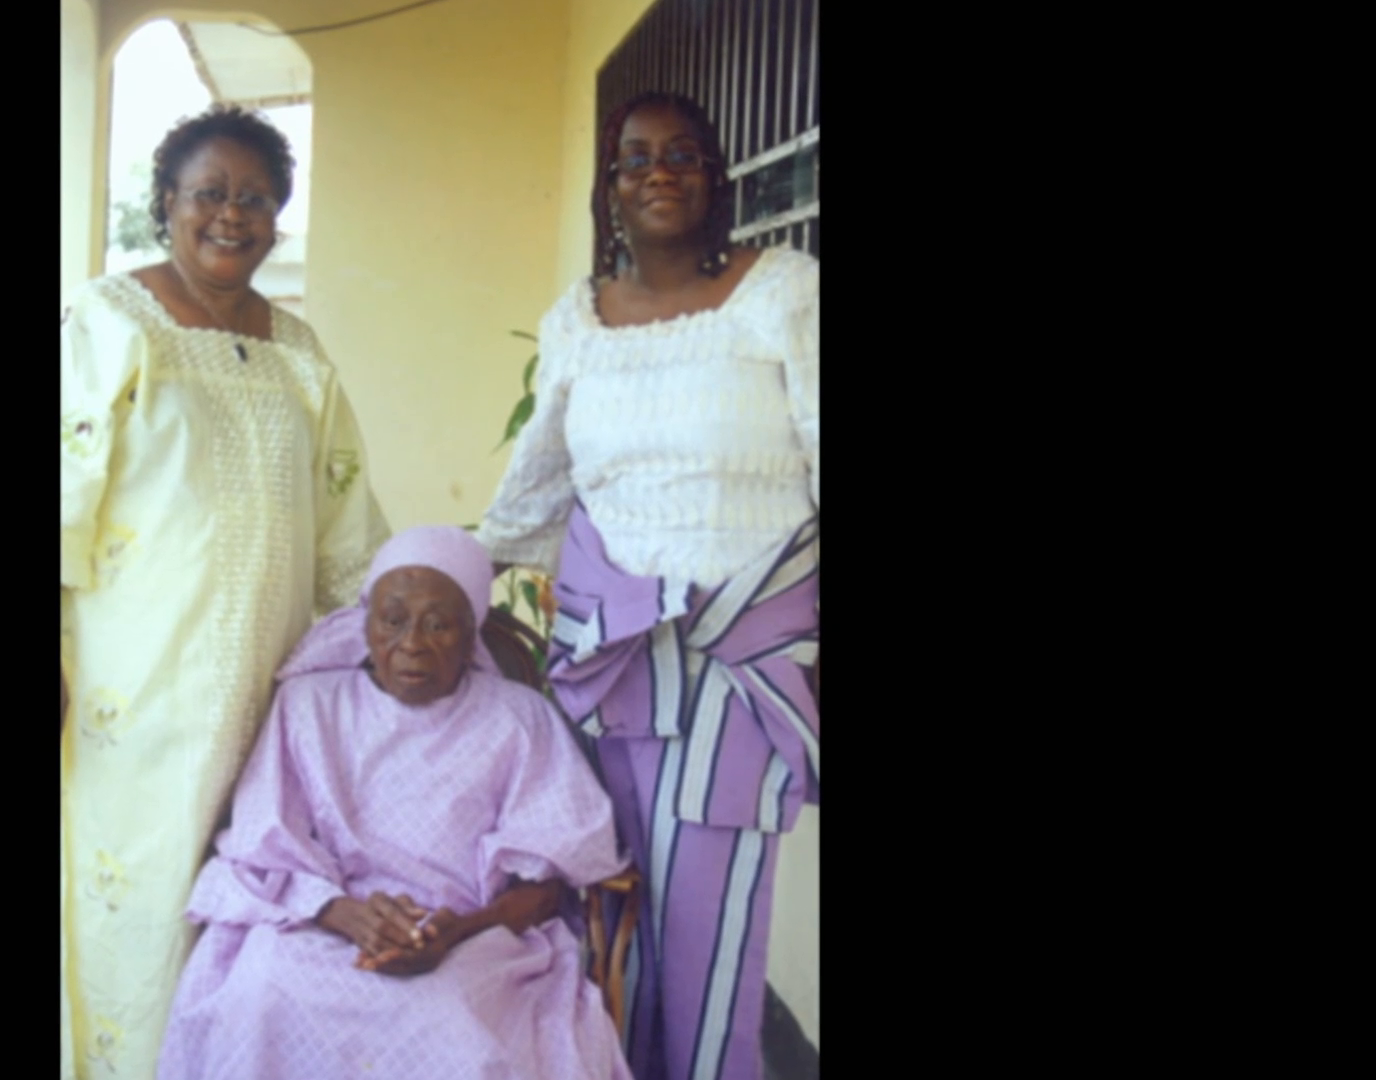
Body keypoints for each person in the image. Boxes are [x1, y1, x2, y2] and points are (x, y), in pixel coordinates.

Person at [475, 91, 820, 1080]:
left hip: (738, 658)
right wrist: (454, 586)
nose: (658, 172)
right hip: (610, 653)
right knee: (603, 901)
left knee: (710, 922)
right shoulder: (578, 318)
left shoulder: (783, 291)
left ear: (715, 176)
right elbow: (539, 479)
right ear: (611, 187)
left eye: (681, 154)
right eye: (635, 158)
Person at [60, 104, 391, 1078]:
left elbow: (344, 520)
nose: (231, 214)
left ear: (278, 219)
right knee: (142, 887)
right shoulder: (111, 320)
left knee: (252, 883)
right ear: (166, 203)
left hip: (269, 684)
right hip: (133, 687)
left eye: (255, 197)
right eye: (209, 193)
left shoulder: (299, 350)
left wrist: (374, 644)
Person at [155, 526, 632, 1080]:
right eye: (393, 620)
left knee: (451, 1024)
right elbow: (263, 847)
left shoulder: (519, 718)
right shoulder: (308, 706)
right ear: (365, 624)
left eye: (438, 624)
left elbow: (547, 887)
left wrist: (457, 931)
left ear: (470, 634)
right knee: (260, 994)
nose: (412, 644)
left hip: (471, 938)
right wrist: (344, 914)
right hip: (320, 920)